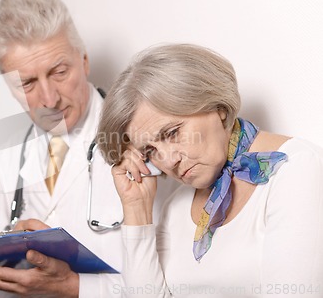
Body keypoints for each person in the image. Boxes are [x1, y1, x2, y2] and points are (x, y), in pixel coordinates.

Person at [0, 0, 176, 297]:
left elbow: (174, 281)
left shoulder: (143, 143)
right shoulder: (12, 151)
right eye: (27, 83)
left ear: (84, 62)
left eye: (59, 72)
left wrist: (74, 286)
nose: (49, 99)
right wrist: (12, 262)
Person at [96, 43, 323, 297]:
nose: (168, 160)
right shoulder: (176, 206)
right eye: (149, 151)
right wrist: (136, 208)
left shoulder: (298, 170)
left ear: (219, 108)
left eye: (172, 133)